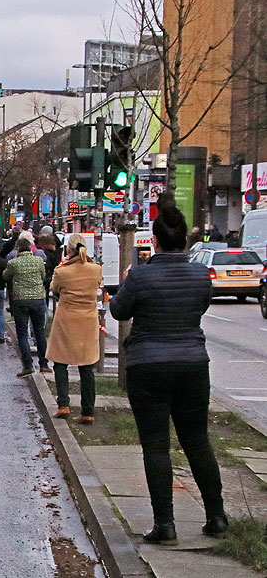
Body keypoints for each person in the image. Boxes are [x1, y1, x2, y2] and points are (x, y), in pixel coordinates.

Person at [110, 194, 227, 546]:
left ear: (155, 240)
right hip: (193, 364)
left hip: (148, 366)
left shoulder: (142, 277)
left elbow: (118, 311)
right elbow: (200, 308)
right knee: (198, 441)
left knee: (156, 446)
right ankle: (217, 515)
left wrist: (131, 279)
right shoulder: (200, 275)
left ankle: (165, 524)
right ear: (184, 241)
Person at [48, 234, 102, 423]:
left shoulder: (62, 272)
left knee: (60, 362)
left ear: (68, 250)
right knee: (87, 366)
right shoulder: (96, 270)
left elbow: (54, 288)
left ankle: (63, 404)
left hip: (66, 319)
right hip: (88, 320)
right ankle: (88, 411)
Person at [3, 236, 50, 378]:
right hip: (37, 300)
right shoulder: (39, 261)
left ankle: (28, 365)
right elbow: (43, 277)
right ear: (30, 248)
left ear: (17, 249)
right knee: (39, 332)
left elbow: (5, 276)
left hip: (20, 300)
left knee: (22, 334)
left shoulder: (13, 263)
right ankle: (44, 364)